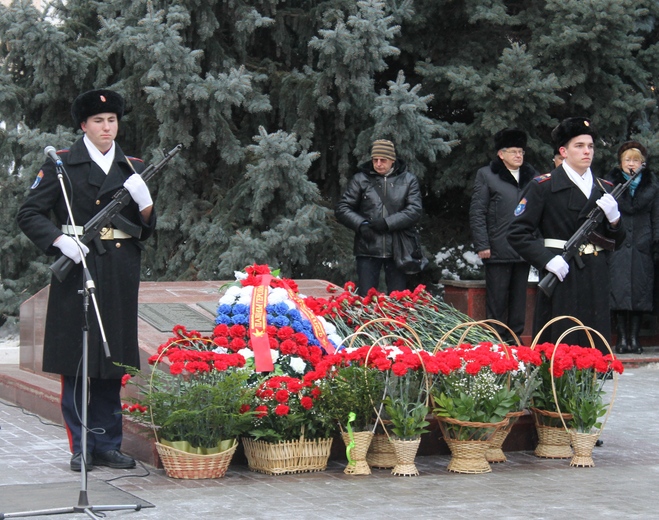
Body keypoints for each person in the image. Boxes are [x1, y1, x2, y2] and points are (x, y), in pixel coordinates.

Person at [17, 89, 156, 471]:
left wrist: (145, 204)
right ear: (84, 125)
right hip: (77, 267)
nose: (106, 127)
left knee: (113, 360)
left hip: (118, 271)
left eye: (112, 120)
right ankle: (80, 446)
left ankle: (107, 442)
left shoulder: (134, 166)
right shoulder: (61, 165)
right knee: (78, 360)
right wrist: (61, 241)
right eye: (98, 121)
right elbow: (29, 213)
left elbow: (145, 230)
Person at [508, 117, 626, 353]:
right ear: (563, 151)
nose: (587, 151)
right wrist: (547, 260)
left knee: (594, 343)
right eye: (579, 146)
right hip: (562, 269)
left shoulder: (605, 188)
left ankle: (593, 385)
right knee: (562, 341)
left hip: (595, 273)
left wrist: (614, 219)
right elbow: (517, 233)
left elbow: (618, 241)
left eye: (590, 146)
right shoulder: (543, 186)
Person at [469, 128, 537, 343]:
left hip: (523, 249)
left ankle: (515, 340)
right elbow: (478, 211)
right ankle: (496, 341)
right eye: (514, 151)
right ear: (501, 154)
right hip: (497, 249)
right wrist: (482, 244)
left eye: (521, 152)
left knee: (519, 300)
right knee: (497, 300)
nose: (519, 156)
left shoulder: (532, 177)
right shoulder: (487, 175)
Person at [335, 139, 422, 296]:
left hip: (398, 248)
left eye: (383, 160)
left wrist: (387, 223)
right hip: (368, 246)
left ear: (392, 160)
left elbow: (415, 210)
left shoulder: (408, 180)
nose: (378, 164)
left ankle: (395, 321)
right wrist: (361, 224)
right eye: (375, 160)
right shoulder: (361, 179)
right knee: (366, 298)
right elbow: (342, 208)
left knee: (398, 299)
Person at [606, 141, 659, 354]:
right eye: (627, 160)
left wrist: (655, 242)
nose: (631, 164)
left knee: (639, 293)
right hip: (618, 245)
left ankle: (635, 339)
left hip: (642, 245)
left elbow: (656, 216)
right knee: (618, 292)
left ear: (642, 163)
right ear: (620, 163)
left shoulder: (652, 186)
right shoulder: (611, 184)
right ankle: (622, 338)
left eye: (635, 160)